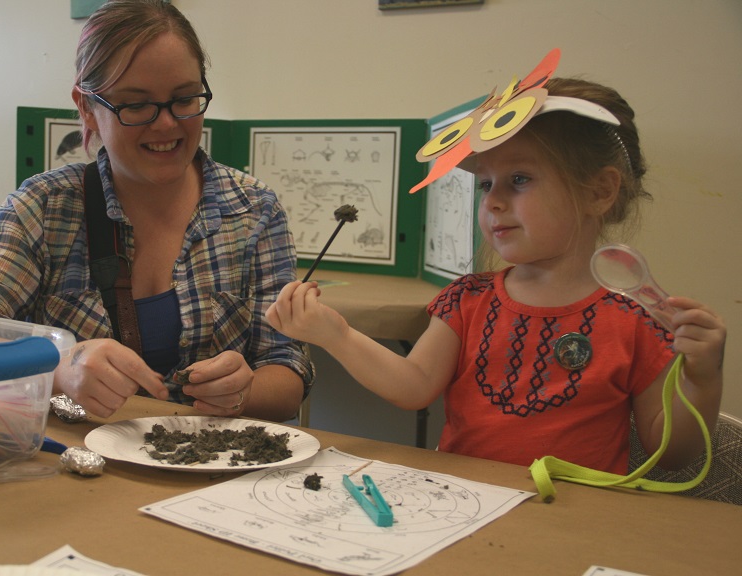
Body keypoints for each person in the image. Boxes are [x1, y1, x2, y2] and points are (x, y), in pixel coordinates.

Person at [266, 73, 726, 474]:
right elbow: (413, 386)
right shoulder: (470, 299)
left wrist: (702, 379)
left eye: (520, 179)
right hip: (466, 507)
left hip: (577, 527)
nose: (492, 201)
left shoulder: (636, 319)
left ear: (600, 191)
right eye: (486, 184)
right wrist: (335, 334)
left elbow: (672, 455)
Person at [0, 0, 313, 422]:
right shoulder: (44, 210)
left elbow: (287, 370)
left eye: (185, 99)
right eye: (136, 105)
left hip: (212, 472)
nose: (167, 125)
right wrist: (61, 366)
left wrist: (244, 392)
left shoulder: (252, 210)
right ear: (87, 107)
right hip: (77, 471)